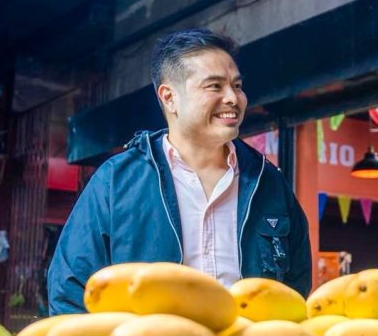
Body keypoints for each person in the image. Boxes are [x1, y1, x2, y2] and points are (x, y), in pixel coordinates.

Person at [49, 29, 311, 314]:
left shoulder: (268, 181)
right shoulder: (116, 181)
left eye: (237, 86)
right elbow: (70, 292)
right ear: (169, 97)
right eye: (214, 86)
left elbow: (294, 290)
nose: (233, 98)